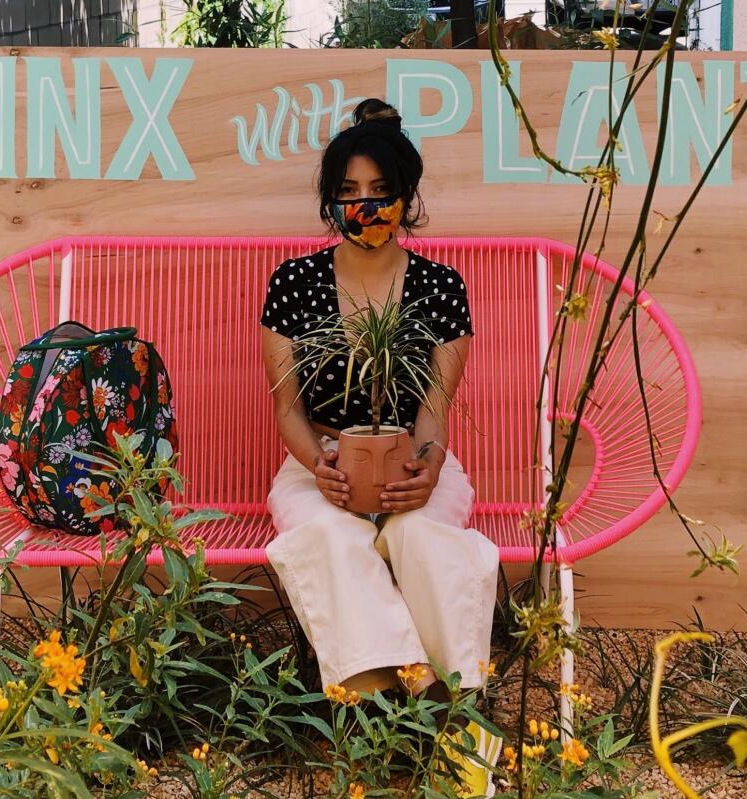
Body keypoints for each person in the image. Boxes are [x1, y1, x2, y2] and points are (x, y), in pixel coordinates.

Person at [258, 97, 503, 793]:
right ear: (330, 204)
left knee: (420, 535)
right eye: (348, 195)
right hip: (321, 462)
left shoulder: (440, 288)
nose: (364, 208)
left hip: (415, 459)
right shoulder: (294, 284)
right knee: (334, 539)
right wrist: (322, 467)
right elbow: (287, 409)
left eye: (379, 193)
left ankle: (450, 716)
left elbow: (434, 411)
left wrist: (425, 467)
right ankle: (408, 705)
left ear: (406, 197)